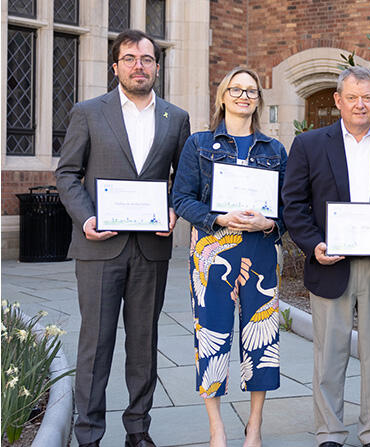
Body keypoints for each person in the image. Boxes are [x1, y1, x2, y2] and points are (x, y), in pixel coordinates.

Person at [53, 29, 191, 447]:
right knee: (95, 343)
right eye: (129, 59)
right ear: (115, 67)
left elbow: (183, 181)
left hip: (150, 249)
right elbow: (66, 174)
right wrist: (86, 218)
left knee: (144, 342)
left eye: (146, 59)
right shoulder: (89, 112)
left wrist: (173, 210)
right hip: (99, 245)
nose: (138, 66)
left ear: (157, 67)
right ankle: (89, 434)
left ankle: (138, 430)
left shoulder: (175, 118)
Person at [281, 66, 370, 447]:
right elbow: (293, 204)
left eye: (367, 97)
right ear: (338, 101)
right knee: (329, 354)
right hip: (331, 263)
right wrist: (313, 244)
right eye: (352, 98)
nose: (360, 104)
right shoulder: (310, 145)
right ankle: (330, 431)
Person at [171, 66, 287, 447]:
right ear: (222, 96)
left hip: (260, 253)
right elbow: (181, 198)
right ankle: (216, 427)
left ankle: (254, 426)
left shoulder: (275, 151)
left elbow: (288, 208)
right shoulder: (199, 144)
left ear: (258, 100)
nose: (243, 96)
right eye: (235, 89)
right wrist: (217, 217)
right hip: (211, 254)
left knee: (262, 341)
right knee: (212, 336)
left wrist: (269, 225)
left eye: (251, 91)